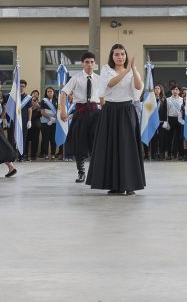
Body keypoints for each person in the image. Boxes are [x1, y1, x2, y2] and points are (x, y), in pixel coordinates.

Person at [86, 44, 145, 195]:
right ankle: (115, 185)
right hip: (110, 111)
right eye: (117, 54)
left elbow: (138, 87)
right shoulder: (107, 70)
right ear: (112, 56)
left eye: (122, 54)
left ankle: (130, 184)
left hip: (127, 110)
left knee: (128, 147)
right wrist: (127, 71)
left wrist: (134, 69)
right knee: (111, 147)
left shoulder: (131, 71)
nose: (120, 57)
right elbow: (110, 84)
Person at [59, 52, 102, 183]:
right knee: (79, 143)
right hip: (81, 113)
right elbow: (64, 93)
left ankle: (97, 173)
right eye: (87, 62)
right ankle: (81, 172)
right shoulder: (76, 78)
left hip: (96, 114)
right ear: (83, 63)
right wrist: (63, 111)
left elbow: (103, 97)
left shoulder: (100, 79)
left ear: (94, 64)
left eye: (91, 62)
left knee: (98, 143)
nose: (89, 64)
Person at [39, 86, 58, 159]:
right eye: (48, 91)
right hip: (45, 122)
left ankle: (53, 154)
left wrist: (54, 119)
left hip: (55, 122)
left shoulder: (57, 100)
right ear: (46, 93)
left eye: (51, 91)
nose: (49, 92)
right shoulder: (43, 100)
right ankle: (46, 154)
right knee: (45, 138)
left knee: (53, 139)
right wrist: (50, 118)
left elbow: (59, 112)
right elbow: (42, 112)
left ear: (53, 92)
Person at [165, 86, 184, 159]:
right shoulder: (167, 100)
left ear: (179, 91)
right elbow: (166, 111)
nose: (175, 91)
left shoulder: (182, 100)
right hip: (170, 119)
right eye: (173, 89)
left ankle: (181, 154)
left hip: (179, 120)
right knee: (169, 138)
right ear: (171, 91)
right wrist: (166, 122)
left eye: (177, 89)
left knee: (180, 138)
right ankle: (169, 154)